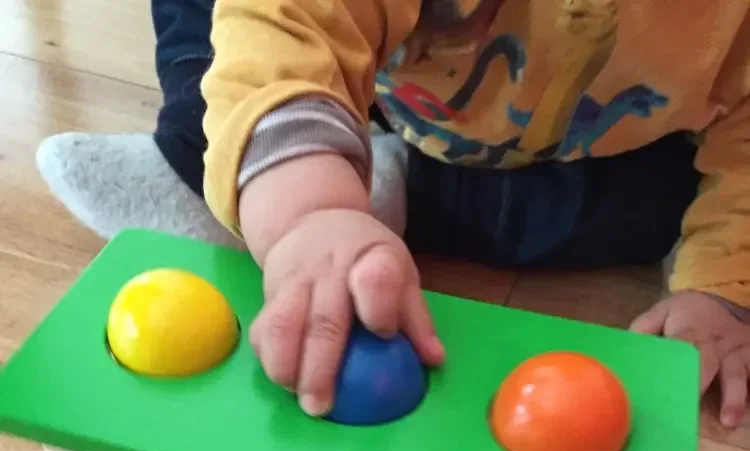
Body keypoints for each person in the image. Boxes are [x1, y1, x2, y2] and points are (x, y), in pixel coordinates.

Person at [38, 0, 750, 425]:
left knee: (651, 208)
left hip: (583, 150)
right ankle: (234, 166)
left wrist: (722, 287)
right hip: (367, 78)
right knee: (228, 39)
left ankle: (388, 188)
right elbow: (291, 25)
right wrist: (306, 209)